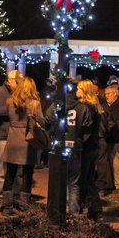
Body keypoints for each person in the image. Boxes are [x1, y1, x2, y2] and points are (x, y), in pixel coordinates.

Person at [45, 80, 92, 217]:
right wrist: (78, 141)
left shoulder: (56, 105)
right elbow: (87, 128)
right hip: (75, 148)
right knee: (74, 182)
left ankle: (56, 211)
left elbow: (47, 121)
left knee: (57, 180)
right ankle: (74, 212)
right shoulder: (82, 108)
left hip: (59, 148)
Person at [1, 77, 44, 216]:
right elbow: (41, 120)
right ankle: (24, 206)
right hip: (27, 140)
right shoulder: (35, 103)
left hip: (13, 139)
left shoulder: (9, 101)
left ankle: (7, 206)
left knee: (10, 173)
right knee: (27, 174)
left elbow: (9, 117)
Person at [0, 70, 23, 207]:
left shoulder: (20, 93)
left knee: (18, 169)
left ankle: (14, 197)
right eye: (18, 81)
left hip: (18, 137)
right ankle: (0, 198)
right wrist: (19, 106)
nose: (20, 84)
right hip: (3, 135)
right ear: (10, 80)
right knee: (2, 168)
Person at [76, 79, 102, 219]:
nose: (76, 91)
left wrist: (79, 143)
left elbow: (86, 130)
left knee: (83, 180)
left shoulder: (85, 107)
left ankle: (90, 208)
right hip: (94, 146)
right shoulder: (95, 105)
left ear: (84, 91)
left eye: (79, 89)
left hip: (87, 147)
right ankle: (93, 208)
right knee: (88, 180)